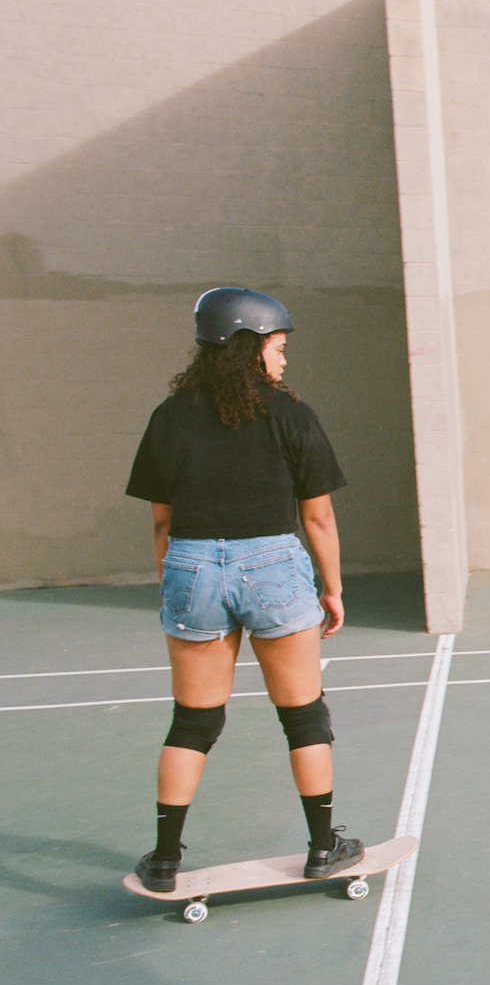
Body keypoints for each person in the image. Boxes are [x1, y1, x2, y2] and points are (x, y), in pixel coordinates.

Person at [124, 288, 362, 891]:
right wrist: (331, 588)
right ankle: (322, 846)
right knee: (304, 716)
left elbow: (161, 521)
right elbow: (319, 519)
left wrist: (176, 579)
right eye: (278, 349)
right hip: (275, 567)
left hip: (192, 565)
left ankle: (164, 859)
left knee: (193, 723)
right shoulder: (290, 415)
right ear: (250, 347)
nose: (283, 362)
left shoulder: (169, 415)